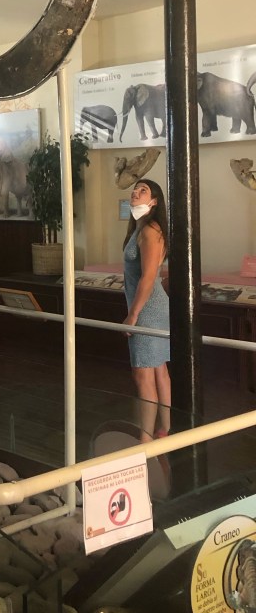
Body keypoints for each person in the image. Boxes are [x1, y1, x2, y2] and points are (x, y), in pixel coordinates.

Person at [123, 177, 171, 439]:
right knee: (158, 369)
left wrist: (133, 314)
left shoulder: (151, 230)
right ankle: (166, 430)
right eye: (135, 189)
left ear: (154, 201)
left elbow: (149, 277)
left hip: (148, 309)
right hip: (149, 307)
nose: (136, 193)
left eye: (143, 191)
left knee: (143, 373)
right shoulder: (141, 228)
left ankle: (146, 439)